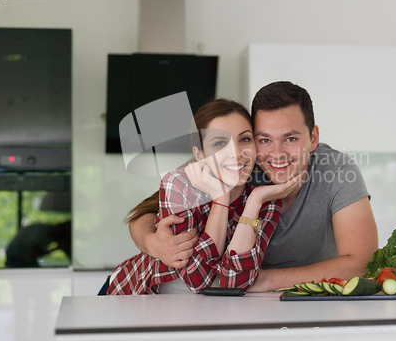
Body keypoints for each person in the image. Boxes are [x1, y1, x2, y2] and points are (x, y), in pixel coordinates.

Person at [129, 81, 379, 292]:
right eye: (264, 140)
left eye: (290, 139)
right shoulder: (237, 165)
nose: (277, 154)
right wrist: (152, 242)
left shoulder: (337, 170)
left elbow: (361, 262)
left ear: (313, 138)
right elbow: (145, 212)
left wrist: (267, 280)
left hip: (280, 297)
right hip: (172, 294)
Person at [105, 99, 300, 295]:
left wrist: (254, 202)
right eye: (220, 143)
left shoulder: (264, 198)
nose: (236, 153)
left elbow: (236, 284)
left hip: (195, 310)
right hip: (131, 295)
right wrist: (221, 199)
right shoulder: (179, 184)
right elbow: (197, 279)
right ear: (199, 154)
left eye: (245, 139)